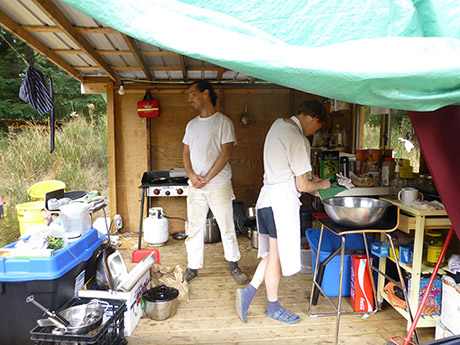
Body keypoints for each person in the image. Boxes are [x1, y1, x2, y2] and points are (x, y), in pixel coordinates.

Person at [235, 100, 331, 324]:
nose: (314, 133)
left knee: (272, 255)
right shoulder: (298, 139)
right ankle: (272, 306)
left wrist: (307, 179)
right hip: (281, 205)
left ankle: (248, 294)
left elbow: (288, 170)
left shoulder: (278, 125)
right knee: (276, 257)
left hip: (267, 201)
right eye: (317, 128)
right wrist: (323, 184)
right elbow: (303, 186)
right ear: (315, 119)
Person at [182, 80, 248, 285]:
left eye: (193, 94)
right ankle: (193, 266)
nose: (190, 99)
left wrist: (208, 177)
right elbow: (185, 153)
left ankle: (234, 264)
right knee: (194, 227)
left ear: (206, 93)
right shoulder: (191, 125)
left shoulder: (223, 122)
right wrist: (191, 175)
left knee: (226, 225)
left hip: (218, 183)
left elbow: (226, 153)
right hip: (195, 185)